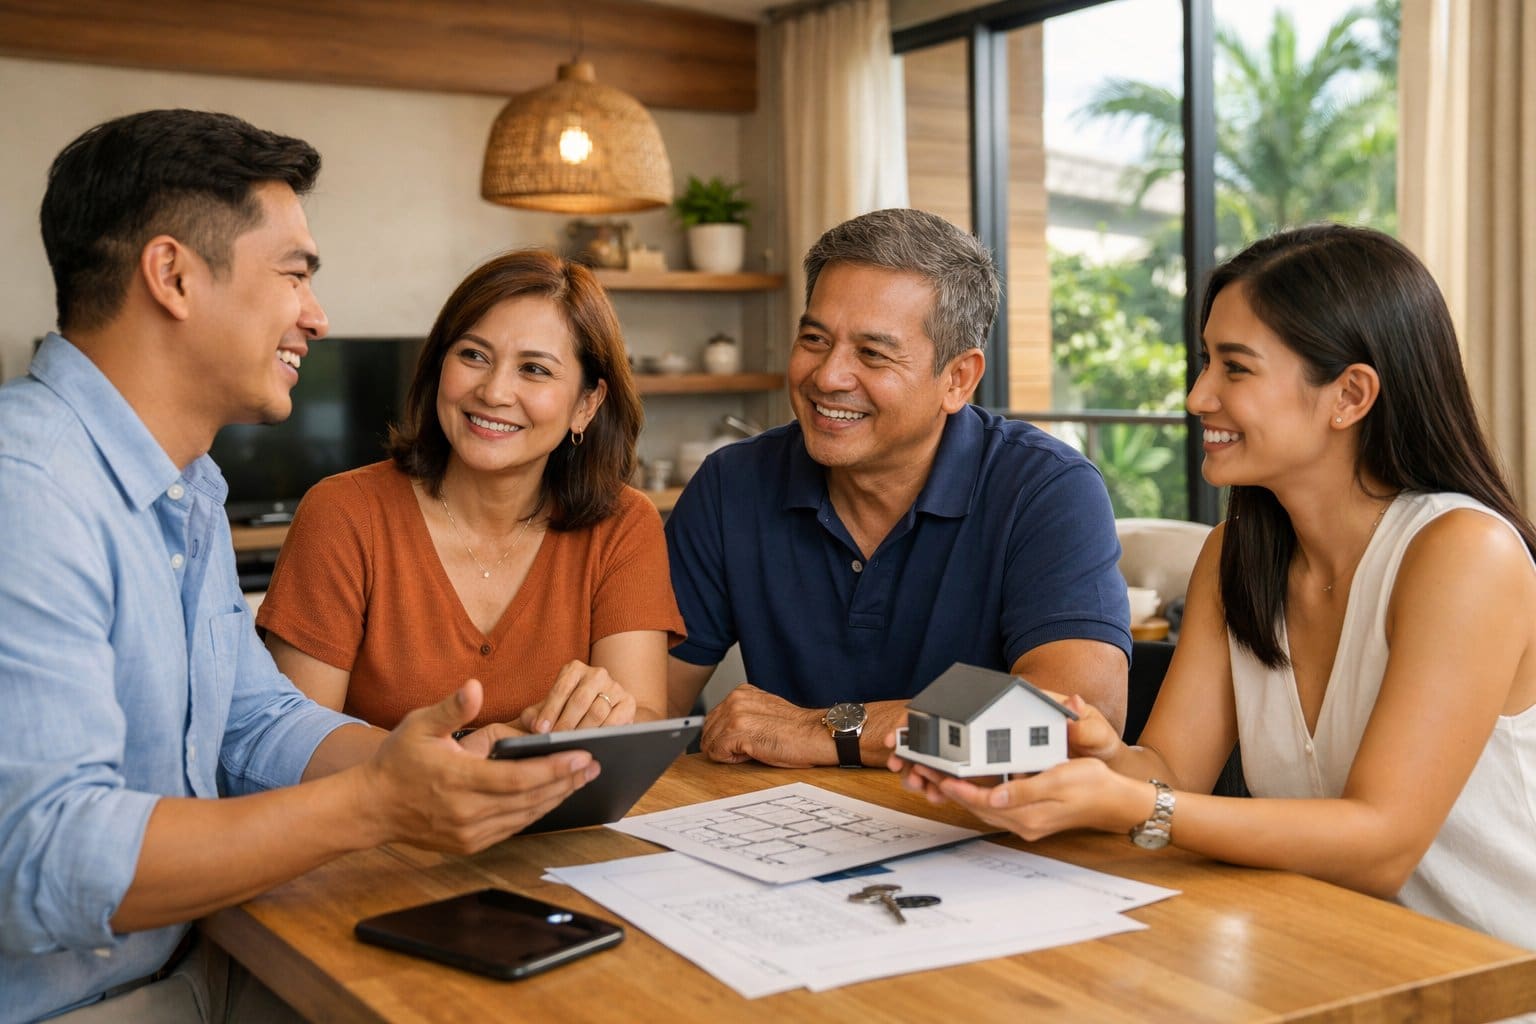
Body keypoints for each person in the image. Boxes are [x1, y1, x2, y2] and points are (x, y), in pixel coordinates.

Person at [0, 110, 600, 1024]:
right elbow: (45, 856)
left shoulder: (186, 485)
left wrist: (430, 765)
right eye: (295, 274)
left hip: (196, 964)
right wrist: (374, 805)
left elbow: (252, 721)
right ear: (173, 277)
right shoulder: (28, 492)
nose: (316, 315)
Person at [891, 224, 1536, 949]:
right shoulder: (1237, 557)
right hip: (1332, 959)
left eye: (1235, 368)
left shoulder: (1464, 553)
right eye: (1205, 362)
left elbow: (1382, 844)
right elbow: (1172, 775)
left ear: (1350, 394)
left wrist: (1132, 802)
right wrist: (1094, 761)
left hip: (1491, 976)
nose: (1198, 396)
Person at [665, 208, 1130, 768]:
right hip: (783, 832)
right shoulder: (731, 485)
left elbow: (1071, 723)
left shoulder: (1046, 488)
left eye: (872, 353)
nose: (827, 376)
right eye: (814, 339)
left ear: (958, 379)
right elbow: (647, 709)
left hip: (979, 835)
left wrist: (830, 729)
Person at [257, 250, 683, 733]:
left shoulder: (623, 524)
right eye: (474, 355)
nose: (495, 391)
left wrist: (606, 715)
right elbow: (292, 744)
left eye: (535, 369)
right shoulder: (343, 514)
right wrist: (488, 754)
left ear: (587, 404)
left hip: (570, 810)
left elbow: (641, 723)